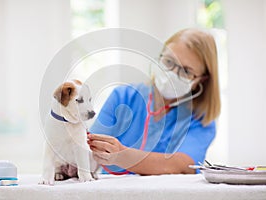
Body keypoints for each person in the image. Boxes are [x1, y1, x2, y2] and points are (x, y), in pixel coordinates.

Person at [87, 28, 221, 175]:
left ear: (201, 80)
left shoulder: (202, 120)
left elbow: (180, 165)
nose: (172, 74)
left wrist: (121, 155)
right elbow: (89, 148)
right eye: (169, 61)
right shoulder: (123, 96)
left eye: (186, 71)